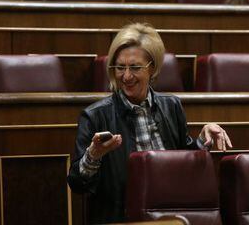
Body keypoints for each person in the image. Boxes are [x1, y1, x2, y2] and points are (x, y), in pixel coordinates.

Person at [67, 23, 233, 224]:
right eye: (120, 67)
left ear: (152, 68)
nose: (126, 76)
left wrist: (203, 138)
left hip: (172, 214)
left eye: (135, 67)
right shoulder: (95, 116)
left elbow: (183, 160)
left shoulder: (171, 106)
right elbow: (77, 183)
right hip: (122, 219)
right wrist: (93, 156)